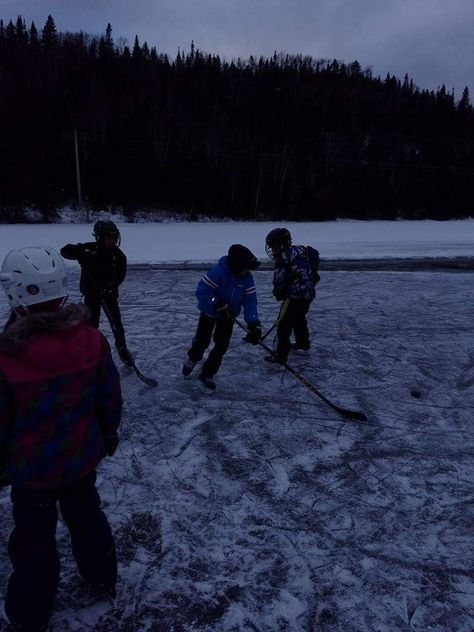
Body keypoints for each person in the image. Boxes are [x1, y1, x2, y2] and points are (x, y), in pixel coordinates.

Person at [0, 246, 122, 632]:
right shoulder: (90, 339)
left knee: (34, 541)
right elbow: (109, 396)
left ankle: (28, 612)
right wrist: (107, 434)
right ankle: (102, 573)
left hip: (33, 470)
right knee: (87, 517)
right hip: (81, 456)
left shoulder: (6, 358)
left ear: (18, 293)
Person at [182, 244, 262, 392]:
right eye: (245, 267)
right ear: (236, 265)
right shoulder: (218, 271)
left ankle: (207, 374)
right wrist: (217, 303)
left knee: (221, 345)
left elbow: (250, 300)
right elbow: (202, 292)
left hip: (228, 317)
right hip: (209, 313)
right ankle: (193, 357)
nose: (247, 271)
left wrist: (253, 323)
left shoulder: (246, 278)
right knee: (202, 341)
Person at [60, 220, 132, 367]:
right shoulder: (89, 250)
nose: (112, 241)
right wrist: (80, 251)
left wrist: (109, 287)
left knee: (117, 325)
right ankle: (89, 353)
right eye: (108, 238)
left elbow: (119, 277)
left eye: (114, 237)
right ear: (99, 237)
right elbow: (64, 251)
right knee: (91, 326)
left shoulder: (118, 256)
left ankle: (123, 351)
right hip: (91, 297)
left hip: (109, 296)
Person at [264, 228, 320, 363]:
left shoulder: (282, 259)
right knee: (299, 318)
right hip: (308, 296)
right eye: (271, 247)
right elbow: (314, 263)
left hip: (293, 298)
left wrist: (278, 293)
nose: (272, 250)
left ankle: (281, 354)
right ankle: (302, 344)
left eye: (275, 247)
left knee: (283, 324)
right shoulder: (303, 251)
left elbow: (278, 280)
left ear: (283, 245)